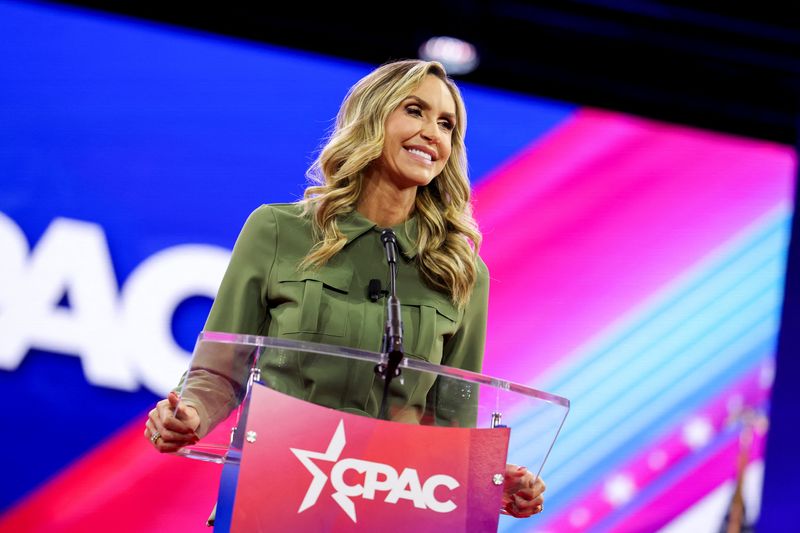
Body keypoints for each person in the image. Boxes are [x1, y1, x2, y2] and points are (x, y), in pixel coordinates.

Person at [143, 59, 545, 519]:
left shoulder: (461, 270)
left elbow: (451, 421)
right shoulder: (277, 230)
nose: (432, 132)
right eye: (414, 111)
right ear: (371, 119)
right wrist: (187, 414)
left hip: (390, 511)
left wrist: (486, 483)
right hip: (272, 498)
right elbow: (218, 371)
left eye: (446, 124)